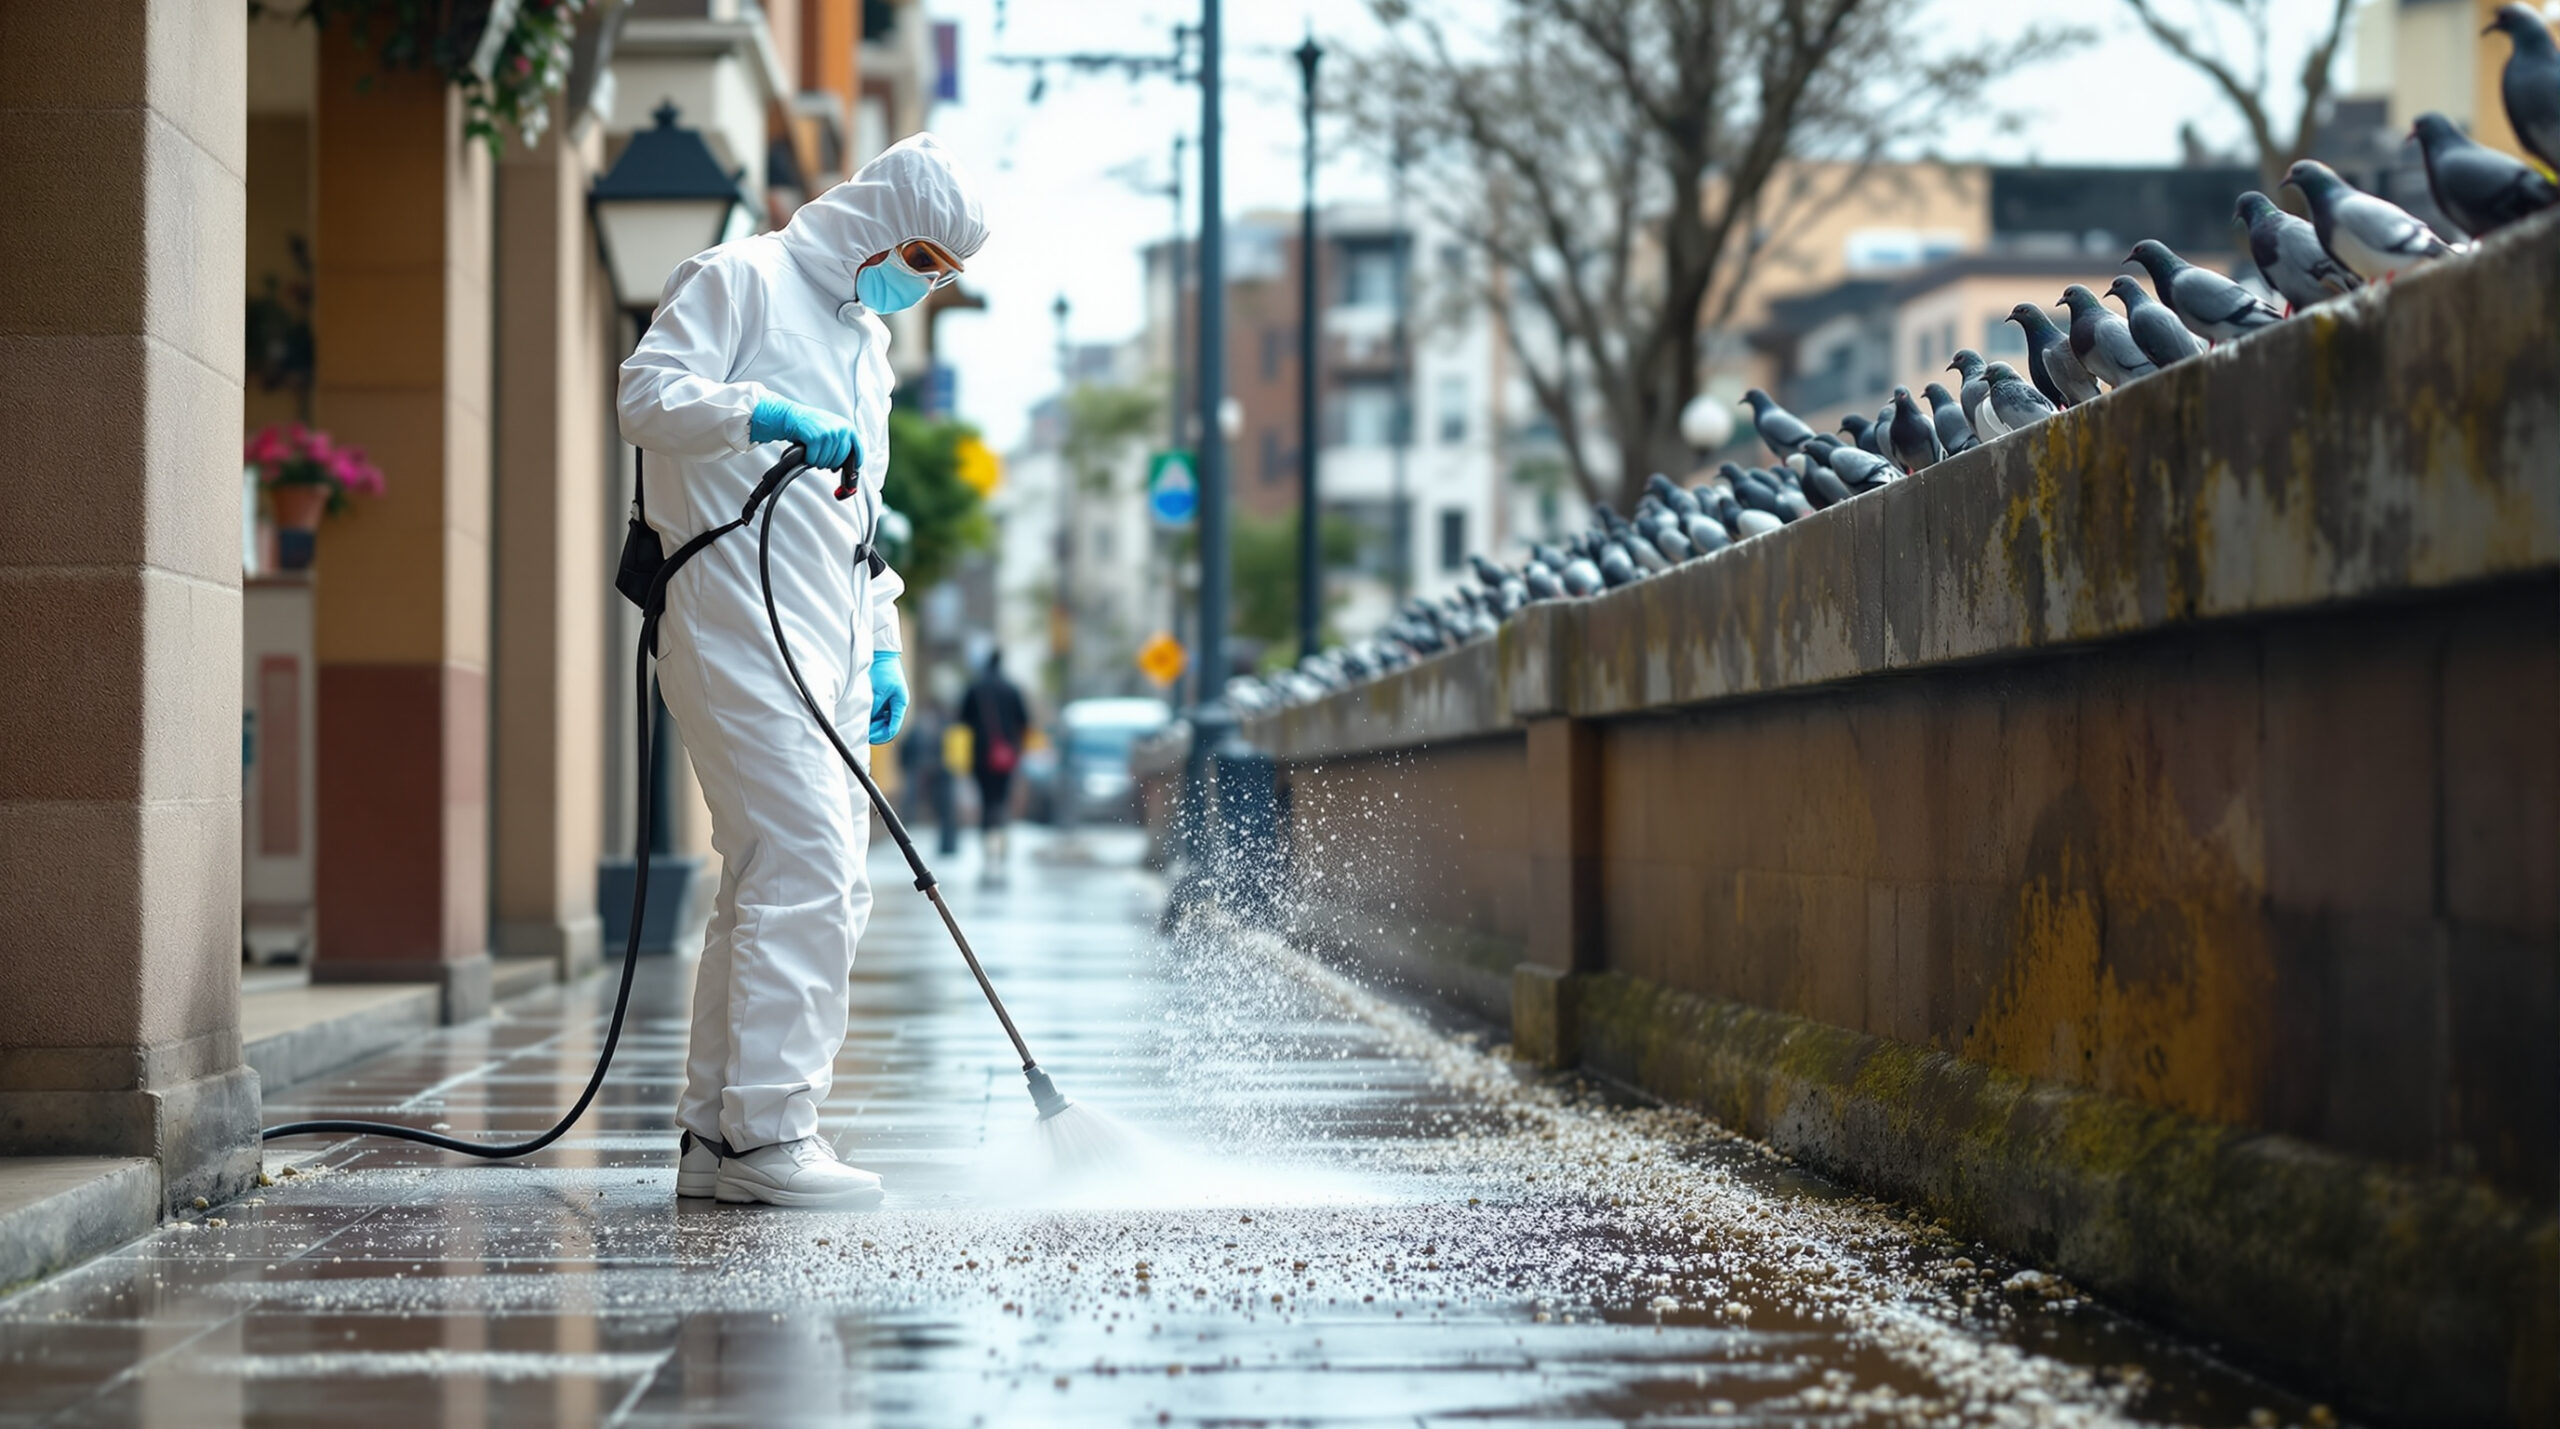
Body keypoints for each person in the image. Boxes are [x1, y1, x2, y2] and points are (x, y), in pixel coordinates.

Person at [617, 134, 987, 1209]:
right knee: (809, 863)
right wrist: (759, 415)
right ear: (878, 221)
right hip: (730, 624)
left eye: (942, 276)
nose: (923, 286)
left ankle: (716, 1134)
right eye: (922, 260)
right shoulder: (739, 278)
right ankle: (770, 1134)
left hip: (823, 642)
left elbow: (861, 519)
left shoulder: (866, 346)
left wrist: (883, 640)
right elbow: (646, 396)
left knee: (785, 880)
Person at [960, 650, 1030, 885]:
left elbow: (962, 720)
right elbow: (1025, 722)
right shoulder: (1012, 689)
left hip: (980, 755)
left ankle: (988, 844)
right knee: (1001, 798)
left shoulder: (975, 688)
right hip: (1007, 755)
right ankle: (1001, 839)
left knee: (986, 798)